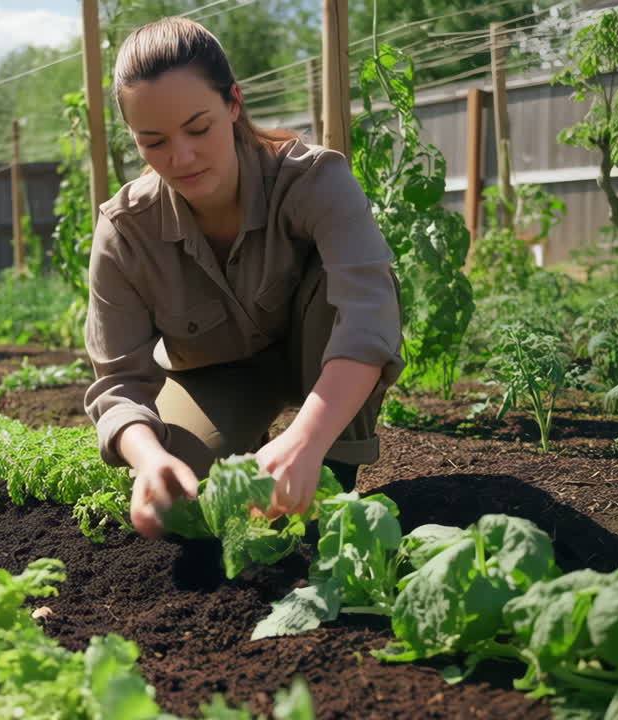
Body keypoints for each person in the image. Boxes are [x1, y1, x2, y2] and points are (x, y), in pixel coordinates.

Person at [83, 17, 404, 539]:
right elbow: (117, 381)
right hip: (214, 375)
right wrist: (147, 459)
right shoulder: (125, 231)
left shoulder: (313, 179)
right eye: (153, 141)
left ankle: (333, 476)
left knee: (315, 497)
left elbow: (369, 313)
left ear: (232, 103)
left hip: (317, 358)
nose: (181, 157)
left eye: (198, 128)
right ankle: (253, 458)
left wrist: (306, 438)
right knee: (193, 509)